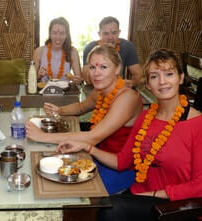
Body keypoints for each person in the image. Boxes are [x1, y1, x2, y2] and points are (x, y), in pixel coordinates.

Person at [57, 48, 202, 221]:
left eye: (169, 74)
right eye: (154, 76)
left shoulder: (197, 124)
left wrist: (154, 194)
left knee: (110, 210)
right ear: (148, 84)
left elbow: (199, 186)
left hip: (173, 206)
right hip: (141, 193)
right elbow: (121, 162)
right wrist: (88, 147)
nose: (162, 82)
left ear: (181, 78)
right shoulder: (146, 118)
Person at [26, 44, 143, 194]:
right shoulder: (101, 90)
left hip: (120, 167)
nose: (96, 73)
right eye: (93, 67)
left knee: (69, 189)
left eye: (103, 67)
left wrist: (43, 136)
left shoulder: (127, 97)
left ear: (118, 68)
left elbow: (92, 137)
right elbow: (81, 107)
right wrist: (60, 110)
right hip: (98, 154)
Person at [82, 16, 142, 87]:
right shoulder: (90, 48)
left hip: (118, 89)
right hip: (96, 89)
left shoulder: (127, 46)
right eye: (106, 33)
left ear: (119, 32)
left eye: (114, 33)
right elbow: (87, 79)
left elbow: (139, 75)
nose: (110, 37)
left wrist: (132, 82)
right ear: (99, 34)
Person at [33, 17, 82, 84]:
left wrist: (76, 80)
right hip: (43, 92)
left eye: (62, 33)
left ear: (66, 35)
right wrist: (39, 76)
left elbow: (79, 80)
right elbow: (32, 81)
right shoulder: (39, 51)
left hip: (66, 92)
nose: (58, 37)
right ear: (50, 34)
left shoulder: (73, 52)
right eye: (54, 33)